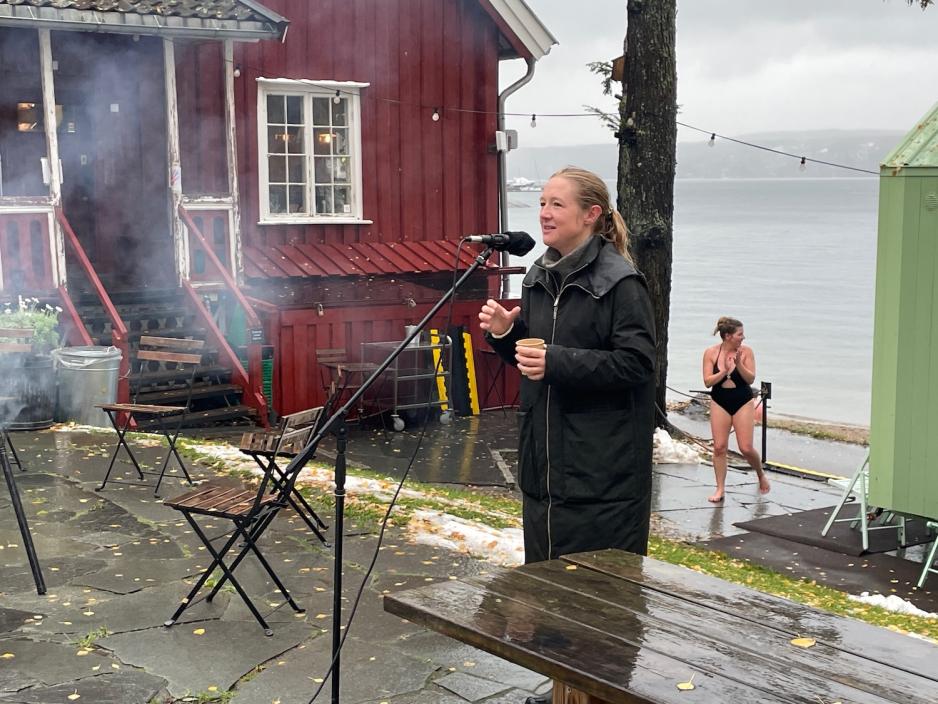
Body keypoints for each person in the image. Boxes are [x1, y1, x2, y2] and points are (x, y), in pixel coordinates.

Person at [479, 166, 656, 566]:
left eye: (557, 204)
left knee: (598, 608)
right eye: (542, 203)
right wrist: (508, 335)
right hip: (543, 477)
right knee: (544, 601)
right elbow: (535, 364)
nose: (544, 212)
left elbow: (636, 365)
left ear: (591, 214)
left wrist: (556, 361)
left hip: (599, 483)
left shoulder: (622, 284)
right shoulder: (538, 277)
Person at [702, 316, 770, 502]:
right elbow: (707, 381)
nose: (743, 337)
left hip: (743, 401)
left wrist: (738, 364)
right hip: (719, 400)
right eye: (740, 334)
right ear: (727, 336)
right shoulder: (711, 353)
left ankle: (760, 474)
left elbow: (750, 379)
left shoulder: (746, 352)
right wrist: (724, 371)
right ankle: (720, 489)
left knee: (746, 448)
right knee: (719, 447)